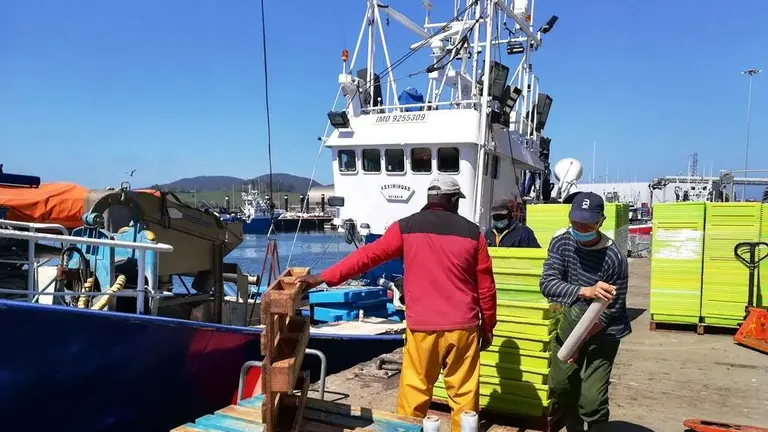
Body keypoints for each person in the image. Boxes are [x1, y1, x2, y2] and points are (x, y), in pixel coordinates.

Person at [296, 175, 497, 431]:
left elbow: (366, 256)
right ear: (454, 200)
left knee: (414, 394)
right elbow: (486, 287)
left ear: (430, 199)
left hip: (422, 327)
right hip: (463, 328)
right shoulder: (472, 233)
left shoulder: (406, 227)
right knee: (464, 397)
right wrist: (488, 325)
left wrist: (323, 277)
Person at [538, 192, 630, 432]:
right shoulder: (561, 241)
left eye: (587, 223)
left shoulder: (614, 257)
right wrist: (585, 291)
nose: (580, 227)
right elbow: (548, 284)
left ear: (601, 221)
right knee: (561, 386)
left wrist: (578, 343)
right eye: (575, 221)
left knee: (592, 400)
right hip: (572, 320)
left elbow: (612, 310)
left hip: (603, 331)